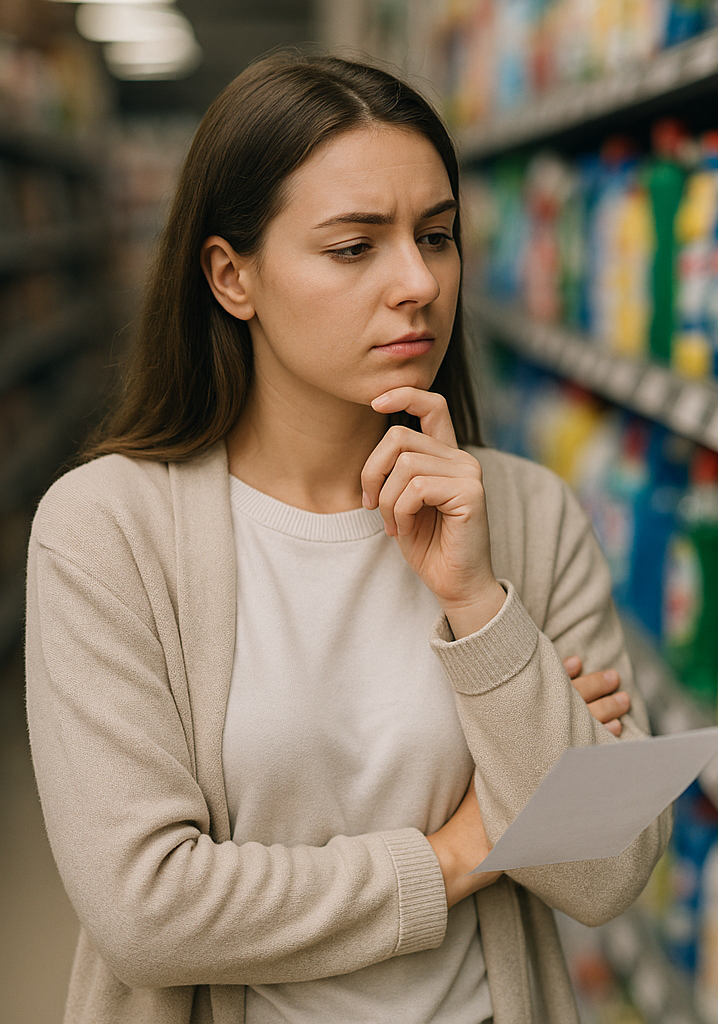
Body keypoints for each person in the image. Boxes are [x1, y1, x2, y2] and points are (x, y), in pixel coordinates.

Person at [24, 52, 670, 1024]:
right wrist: (463, 849)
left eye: (437, 234)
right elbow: (147, 911)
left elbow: (603, 868)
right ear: (231, 275)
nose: (417, 281)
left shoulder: (527, 514)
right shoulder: (108, 529)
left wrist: (479, 606)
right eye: (353, 246)